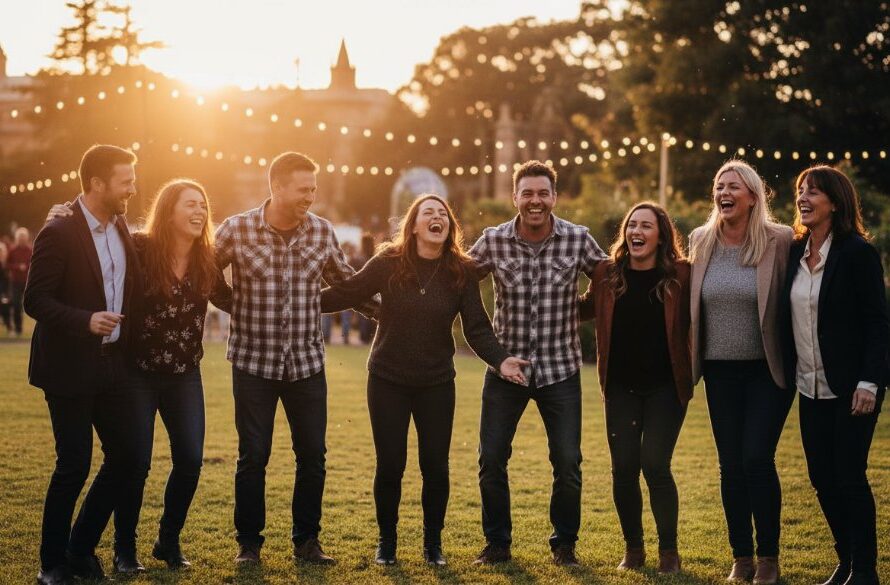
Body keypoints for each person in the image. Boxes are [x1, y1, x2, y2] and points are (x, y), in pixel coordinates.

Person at [320, 194, 528, 566]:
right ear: (413, 225)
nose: (437, 218)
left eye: (443, 214)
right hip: (387, 379)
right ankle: (387, 542)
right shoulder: (388, 262)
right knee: (391, 464)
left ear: (449, 226)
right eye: (428, 213)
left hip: (435, 382)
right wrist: (297, 299)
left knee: (435, 466)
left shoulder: (459, 271)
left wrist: (501, 360)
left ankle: (433, 546)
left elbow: (477, 328)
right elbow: (348, 292)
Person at [45, 179, 234, 572]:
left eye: (203, 205)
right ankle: (124, 549)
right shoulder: (139, 248)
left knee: (190, 459)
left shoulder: (207, 260)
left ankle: (168, 540)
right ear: (168, 210)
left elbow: (233, 301)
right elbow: (95, 238)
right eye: (190, 205)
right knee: (136, 462)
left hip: (184, 374)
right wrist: (61, 214)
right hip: (136, 373)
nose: (200, 211)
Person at [215, 151, 377, 565]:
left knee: (312, 455)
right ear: (277, 187)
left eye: (313, 189)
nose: (310, 196)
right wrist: (235, 305)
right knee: (253, 455)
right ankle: (248, 546)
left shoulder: (321, 232)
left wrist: (390, 309)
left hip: (306, 364)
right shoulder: (236, 229)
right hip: (253, 362)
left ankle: (307, 543)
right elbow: (203, 273)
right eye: (303, 189)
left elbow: (346, 284)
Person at [470, 160, 606, 566]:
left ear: (554, 197)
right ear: (515, 198)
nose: (535, 201)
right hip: (505, 370)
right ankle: (497, 544)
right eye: (527, 193)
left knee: (567, 462)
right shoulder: (493, 241)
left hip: (560, 370)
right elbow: (453, 280)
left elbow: (609, 280)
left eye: (542, 193)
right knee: (491, 458)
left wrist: (577, 309)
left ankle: (564, 546)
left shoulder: (578, 239)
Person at [24, 144, 143, 585]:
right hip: (68, 367)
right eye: (125, 181)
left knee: (129, 457)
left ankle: (80, 549)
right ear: (97, 184)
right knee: (73, 466)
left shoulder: (122, 226)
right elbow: (35, 300)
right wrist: (85, 320)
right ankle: (52, 564)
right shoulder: (58, 231)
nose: (133, 188)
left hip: (114, 366)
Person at [781, 166, 888, 585]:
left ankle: (865, 570)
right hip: (809, 387)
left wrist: (870, 382)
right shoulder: (794, 253)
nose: (803, 198)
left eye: (813, 192)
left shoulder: (858, 253)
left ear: (836, 202)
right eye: (800, 191)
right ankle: (845, 560)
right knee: (822, 478)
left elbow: (878, 322)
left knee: (849, 476)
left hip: (852, 388)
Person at [689, 160, 794, 584]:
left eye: (734, 185)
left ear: (753, 195)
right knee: (730, 465)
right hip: (719, 372)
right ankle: (742, 557)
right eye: (719, 185)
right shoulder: (700, 240)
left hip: (767, 370)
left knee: (756, 459)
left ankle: (768, 557)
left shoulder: (781, 240)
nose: (724, 192)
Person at [579, 202, 691, 573]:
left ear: (661, 235)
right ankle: (634, 550)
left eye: (646, 225)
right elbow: (580, 307)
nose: (636, 232)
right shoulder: (607, 275)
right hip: (621, 388)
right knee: (624, 468)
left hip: (665, 388)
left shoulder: (681, 275)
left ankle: (669, 553)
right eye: (631, 225)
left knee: (655, 464)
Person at [8, 226, 32, 336]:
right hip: (15, 282)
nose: (22, 239)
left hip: (28, 282)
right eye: (20, 237)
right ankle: (18, 329)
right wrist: (17, 267)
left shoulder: (31, 250)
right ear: (17, 238)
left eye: (24, 237)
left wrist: (26, 267)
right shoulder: (12, 250)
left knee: (31, 305)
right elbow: (7, 265)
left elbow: (34, 263)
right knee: (16, 304)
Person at [0, 240, 11, 334]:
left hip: (4, 290)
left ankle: (9, 327)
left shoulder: (6, 264)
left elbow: (7, 280)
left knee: (5, 308)